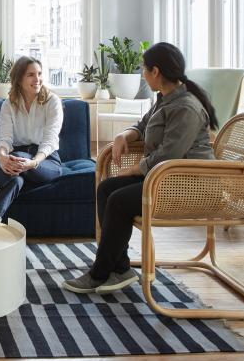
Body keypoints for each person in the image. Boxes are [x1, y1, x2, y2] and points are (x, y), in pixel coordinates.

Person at [63, 42, 218, 295]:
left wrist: (135, 169)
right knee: (106, 189)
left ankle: (99, 272)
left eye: (144, 70)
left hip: (189, 185)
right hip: (164, 179)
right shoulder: (166, 99)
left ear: (155, 71)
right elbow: (144, 126)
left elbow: (171, 154)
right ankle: (122, 268)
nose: (143, 75)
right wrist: (125, 135)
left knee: (119, 200)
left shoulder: (186, 107)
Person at [0, 56, 64, 222]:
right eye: (31, 75)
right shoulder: (9, 104)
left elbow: (50, 140)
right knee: (16, 179)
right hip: (18, 159)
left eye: (39, 73)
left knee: (19, 159)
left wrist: (33, 162)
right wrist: (2, 155)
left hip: (47, 161)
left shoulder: (52, 102)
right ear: (19, 78)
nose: (37, 79)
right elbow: (4, 138)